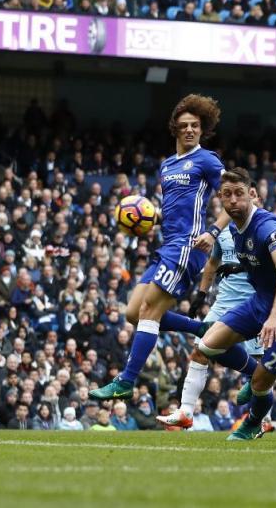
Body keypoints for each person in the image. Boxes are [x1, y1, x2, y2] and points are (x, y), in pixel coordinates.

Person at [92, 95, 229, 401]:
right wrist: (149, 218)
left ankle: (126, 380)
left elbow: (234, 199)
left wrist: (213, 231)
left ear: (202, 129)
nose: (190, 130)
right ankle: (198, 327)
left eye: (195, 125)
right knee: (132, 313)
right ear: (175, 130)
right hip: (167, 245)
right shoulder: (167, 166)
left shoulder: (207, 160)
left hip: (188, 247)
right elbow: (176, 210)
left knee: (149, 311)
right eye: (184, 126)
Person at [190, 168, 276, 441]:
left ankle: (254, 422)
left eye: (239, 194)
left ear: (253, 194)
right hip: (259, 304)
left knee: (258, 386)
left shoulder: (267, 226)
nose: (232, 200)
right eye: (226, 195)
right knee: (207, 345)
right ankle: (257, 371)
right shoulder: (234, 228)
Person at [156, 212, 264, 429]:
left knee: (261, 366)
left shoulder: (263, 228)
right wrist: (201, 295)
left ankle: (260, 420)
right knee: (199, 351)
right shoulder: (222, 231)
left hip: (254, 302)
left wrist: (242, 267)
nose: (235, 201)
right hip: (224, 302)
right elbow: (213, 263)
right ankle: (186, 411)